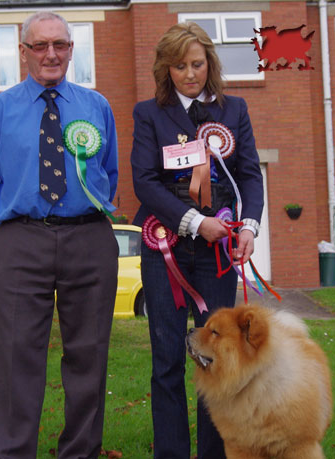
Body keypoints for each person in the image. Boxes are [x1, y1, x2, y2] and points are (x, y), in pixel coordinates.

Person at [0, 11, 120, 459]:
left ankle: (79, 452)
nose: (51, 54)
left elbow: (107, 173)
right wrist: (17, 231)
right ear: (23, 52)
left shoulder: (97, 106)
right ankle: (12, 453)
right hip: (22, 242)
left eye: (60, 45)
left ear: (72, 50)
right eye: (40, 46)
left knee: (88, 356)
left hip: (89, 240)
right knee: (17, 358)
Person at [130, 22, 264, 458]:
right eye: (179, 66)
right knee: (168, 358)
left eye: (197, 64)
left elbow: (248, 174)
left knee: (219, 359)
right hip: (164, 247)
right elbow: (145, 182)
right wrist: (192, 220)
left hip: (218, 251)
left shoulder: (235, 109)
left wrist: (248, 226)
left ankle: (213, 453)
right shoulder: (148, 114)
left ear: (210, 62)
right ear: (165, 69)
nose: (190, 73)